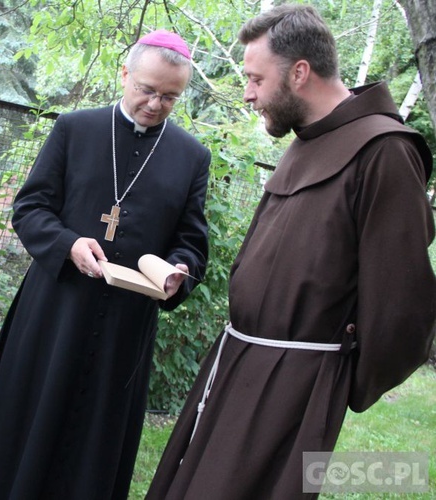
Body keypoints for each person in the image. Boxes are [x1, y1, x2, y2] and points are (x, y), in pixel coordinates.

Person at [146, 4, 436, 499]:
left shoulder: (384, 150)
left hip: (297, 382)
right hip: (240, 358)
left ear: (299, 72)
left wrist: (336, 380)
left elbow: (402, 307)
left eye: (256, 78)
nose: (248, 92)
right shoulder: (308, 141)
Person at [0, 30, 211, 500]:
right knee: (29, 418)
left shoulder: (191, 157)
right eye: (146, 89)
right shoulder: (76, 128)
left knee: (96, 437)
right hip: (55, 309)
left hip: (125, 327)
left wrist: (177, 271)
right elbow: (30, 208)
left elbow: (192, 242)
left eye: (170, 96)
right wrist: (67, 244)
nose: (155, 103)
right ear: (124, 74)